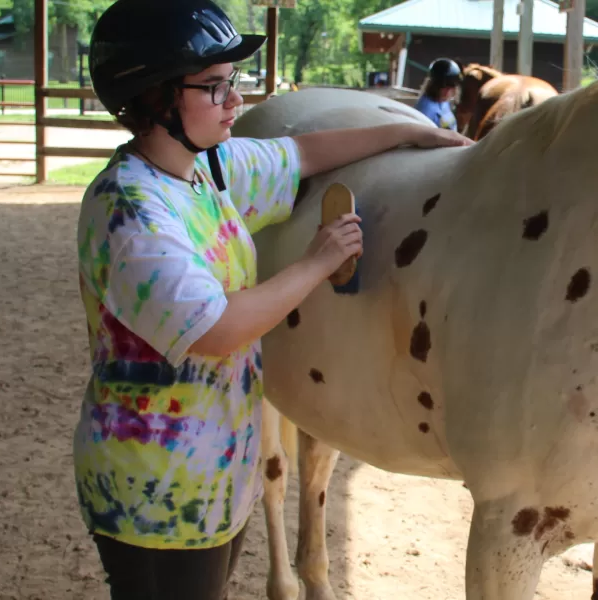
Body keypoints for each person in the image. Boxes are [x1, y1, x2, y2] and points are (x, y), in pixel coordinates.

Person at [74, 1, 471, 598]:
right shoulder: (132, 210)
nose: (235, 100)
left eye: (231, 83)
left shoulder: (204, 169)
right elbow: (217, 329)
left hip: (212, 468)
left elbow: (303, 154)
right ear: (156, 97)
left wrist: (407, 130)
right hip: (155, 487)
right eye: (213, 87)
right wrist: (317, 262)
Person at [414, 58, 461, 131]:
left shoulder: (444, 102)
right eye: (444, 86)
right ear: (434, 85)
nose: (448, 91)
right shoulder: (426, 110)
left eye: (452, 86)